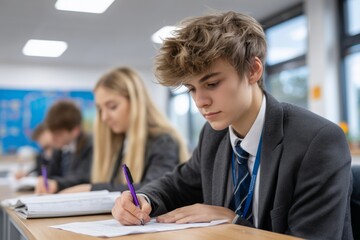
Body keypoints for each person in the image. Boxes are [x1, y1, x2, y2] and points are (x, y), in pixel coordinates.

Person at [111, 11, 353, 240]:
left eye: (212, 84)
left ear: (253, 70)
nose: (200, 102)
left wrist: (234, 223)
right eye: (192, 89)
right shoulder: (214, 135)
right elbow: (178, 184)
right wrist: (142, 199)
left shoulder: (318, 141)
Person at [60, 66, 188, 193]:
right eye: (100, 109)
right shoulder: (120, 140)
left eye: (112, 106)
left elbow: (154, 188)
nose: (104, 117)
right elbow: (84, 176)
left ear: (135, 103)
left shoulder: (163, 141)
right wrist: (57, 184)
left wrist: (91, 189)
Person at [35, 100, 93, 194]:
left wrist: (57, 184)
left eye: (58, 134)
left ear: (75, 131)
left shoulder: (89, 145)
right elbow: (51, 174)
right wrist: (45, 181)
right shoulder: (59, 146)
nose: (53, 138)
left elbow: (83, 178)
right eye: (51, 133)